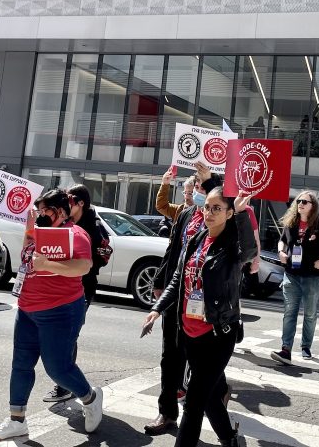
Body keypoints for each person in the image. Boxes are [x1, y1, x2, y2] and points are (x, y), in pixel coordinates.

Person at [143, 188, 256, 447]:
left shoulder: (232, 245)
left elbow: (249, 253)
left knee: (193, 402)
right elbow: (177, 278)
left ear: (229, 212)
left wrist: (241, 214)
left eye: (217, 208)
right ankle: (229, 438)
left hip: (218, 333)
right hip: (189, 331)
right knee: (210, 395)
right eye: (207, 207)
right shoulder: (196, 239)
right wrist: (157, 308)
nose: (209, 212)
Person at [0, 189, 103, 440]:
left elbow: (84, 266)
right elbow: (28, 261)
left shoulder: (75, 234)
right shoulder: (37, 230)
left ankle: (90, 397)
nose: (40, 215)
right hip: (28, 310)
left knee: (58, 368)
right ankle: (16, 419)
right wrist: (29, 234)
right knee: (21, 364)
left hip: (60, 310)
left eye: (45, 210)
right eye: (38, 210)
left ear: (60, 212)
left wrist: (48, 265)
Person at [144, 163, 219, 436]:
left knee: (203, 359)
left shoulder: (222, 220)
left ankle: (218, 402)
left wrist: (212, 183)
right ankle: (167, 413)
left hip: (207, 302)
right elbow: (172, 253)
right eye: (195, 187)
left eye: (203, 187)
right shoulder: (185, 215)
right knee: (171, 356)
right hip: (178, 297)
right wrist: (159, 284)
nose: (197, 191)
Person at [43, 183, 112, 403]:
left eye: (69, 200)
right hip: (58, 285)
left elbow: (102, 256)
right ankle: (66, 382)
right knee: (59, 334)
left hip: (82, 287)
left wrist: (80, 260)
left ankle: (65, 384)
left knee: (68, 335)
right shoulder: (64, 222)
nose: (65, 204)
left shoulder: (94, 226)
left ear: (80, 203)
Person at [271, 191, 319, 364]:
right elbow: (282, 240)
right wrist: (280, 252)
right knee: (289, 312)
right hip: (291, 275)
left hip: (312, 277)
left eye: (305, 202)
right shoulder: (291, 224)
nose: (300, 203)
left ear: (313, 206)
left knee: (309, 314)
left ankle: (306, 346)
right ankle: (286, 348)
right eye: (298, 201)